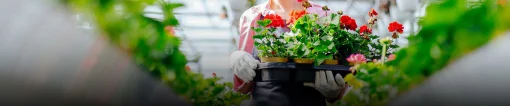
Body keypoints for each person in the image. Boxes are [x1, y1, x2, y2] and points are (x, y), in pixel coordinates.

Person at [229, 0, 349, 105]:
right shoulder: (252, 16)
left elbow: (339, 79)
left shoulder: (324, 15)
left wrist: (332, 93)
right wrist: (236, 59)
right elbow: (246, 85)